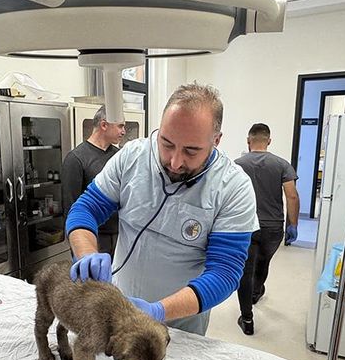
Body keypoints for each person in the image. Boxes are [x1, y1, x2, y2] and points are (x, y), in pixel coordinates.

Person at [64, 83, 258, 335]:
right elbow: (85, 209)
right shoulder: (132, 157)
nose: (175, 162)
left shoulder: (233, 187)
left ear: (216, 141)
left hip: (182, 324)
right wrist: (87, 253)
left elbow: (224, 273)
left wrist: (158, 310)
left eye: (191, 150)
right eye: (166, 143)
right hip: (118, 307)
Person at [233, 123, 300, 335]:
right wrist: (293, 224)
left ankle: (247, 318)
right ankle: (255, 293)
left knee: (246, 270)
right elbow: (292, 195)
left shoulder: (236, 164)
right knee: (263, 262)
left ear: (248, 140)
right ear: (269, 141)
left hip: (245, 226)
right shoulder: (282, 164)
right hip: (273, 228)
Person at [61, 105, 126, 256]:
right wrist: (78, 247)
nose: (123, 131)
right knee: (94, 279)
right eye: (120, 126)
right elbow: (70, 207)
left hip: (121, 234)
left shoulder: (119, 156)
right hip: (93, 236)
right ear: (104, 125)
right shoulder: (76, 159)